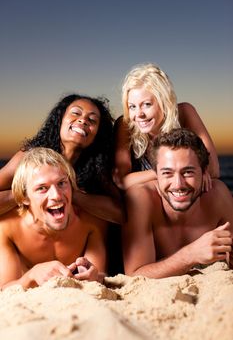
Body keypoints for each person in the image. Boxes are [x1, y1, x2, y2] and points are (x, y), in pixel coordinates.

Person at [123, 128, 233, 279]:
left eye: (188, 172)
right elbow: (135, 274)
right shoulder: (140, 198)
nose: (178, 184)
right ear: (156, 174)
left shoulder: (219, 195)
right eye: (167, 173)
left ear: (204, 171)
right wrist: (191, 254)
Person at [0, 94, 124, 224]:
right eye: (76, 113)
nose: (83, 120)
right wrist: (27, 192)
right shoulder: (29, 157)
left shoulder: (97, 168)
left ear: (98, 134)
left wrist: (71, 193)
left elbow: (120, 215)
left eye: (92, 120)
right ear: (60, 119)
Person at [0, 147, 107, 289]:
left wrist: (96, 276)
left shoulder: (91, 222)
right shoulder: (7, 228)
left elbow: (101, 275)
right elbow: (5, 288)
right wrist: (32, 275)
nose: (56, 195)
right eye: (42, 188)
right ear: (25, 197)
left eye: (62, 183)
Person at [113, 63, 219, 191]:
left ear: (164, 102)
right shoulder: (125, 124)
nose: (139, 114)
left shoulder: (185, 113)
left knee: (217, 188)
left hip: (178, 195)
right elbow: (121, 181)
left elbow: (213, 169)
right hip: (147, 199)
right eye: (132, 106)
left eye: (146, 104)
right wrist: (169, 172)